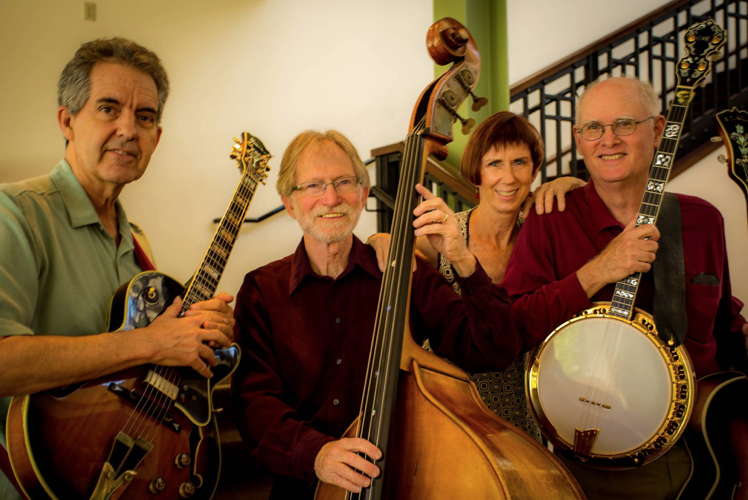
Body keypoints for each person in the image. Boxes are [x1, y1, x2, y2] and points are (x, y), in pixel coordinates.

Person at [0, 38, 235, 500]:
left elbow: (148, 363)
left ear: (156, 138)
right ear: (67, 121)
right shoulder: (14, 214)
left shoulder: (137, 242)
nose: (128, 129)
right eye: (108, 108)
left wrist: (198, 333)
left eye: (144, 117)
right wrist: (151, 341)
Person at [230, 130, 521, 499]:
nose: (331, 198)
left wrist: (463, 260)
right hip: (302, 487)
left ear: (364, 193)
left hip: (404, 480)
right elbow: (253, 404)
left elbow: (494, 351)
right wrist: (316, 452)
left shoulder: (404, 273)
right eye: (314, 185)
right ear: (289, 203)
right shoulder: (261, 290)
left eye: (344, 182)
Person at [501, 76, 748, 500]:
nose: (608, 139)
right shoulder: (550, 219)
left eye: (625, 123)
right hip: (577, 459)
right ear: (579, 141)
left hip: (694, 455)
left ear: (658, 129)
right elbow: (512, 327)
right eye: (593, 128)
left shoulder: (704, 221)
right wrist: (599, 270)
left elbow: (726, 330)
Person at [368, 111, 585, 441]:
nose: (508, 177)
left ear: (534, 170)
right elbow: (392, 258)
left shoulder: (540, 235)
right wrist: (379, 239)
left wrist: (574, 184)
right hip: (451, 410)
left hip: (525, 412)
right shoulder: (444, 236)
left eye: (519, 162)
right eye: (494, 163)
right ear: (476, 173)